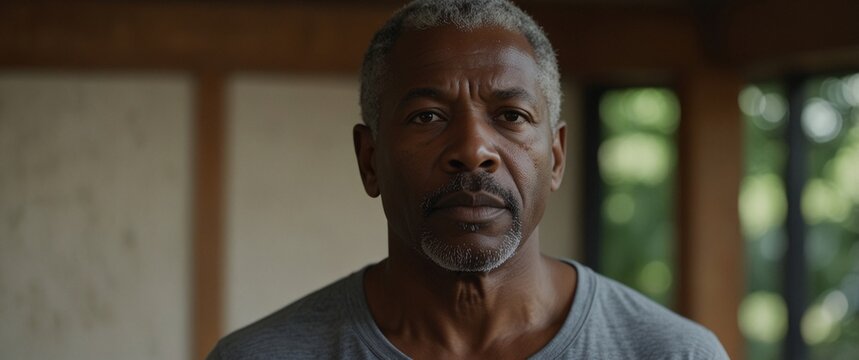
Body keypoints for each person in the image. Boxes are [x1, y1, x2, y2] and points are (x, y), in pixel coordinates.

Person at [208, 0, 729, 358]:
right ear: (370, 160)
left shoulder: (671, 353)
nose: (473, 150)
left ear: (557, 156)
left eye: (511, 115)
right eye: (428, 116)